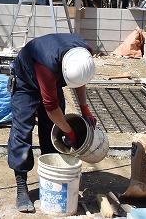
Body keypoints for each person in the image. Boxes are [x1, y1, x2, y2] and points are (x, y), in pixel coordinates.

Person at [7, 33, 97, 213]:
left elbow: (79, 79)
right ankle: (21, 185)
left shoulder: (82, 54)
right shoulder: (46, 66)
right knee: (22, 131)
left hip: (52, 80)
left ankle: (50, 177)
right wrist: (70, 133)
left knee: (52, 133)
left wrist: (84, 108)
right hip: (26, 82)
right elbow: (51, 108)